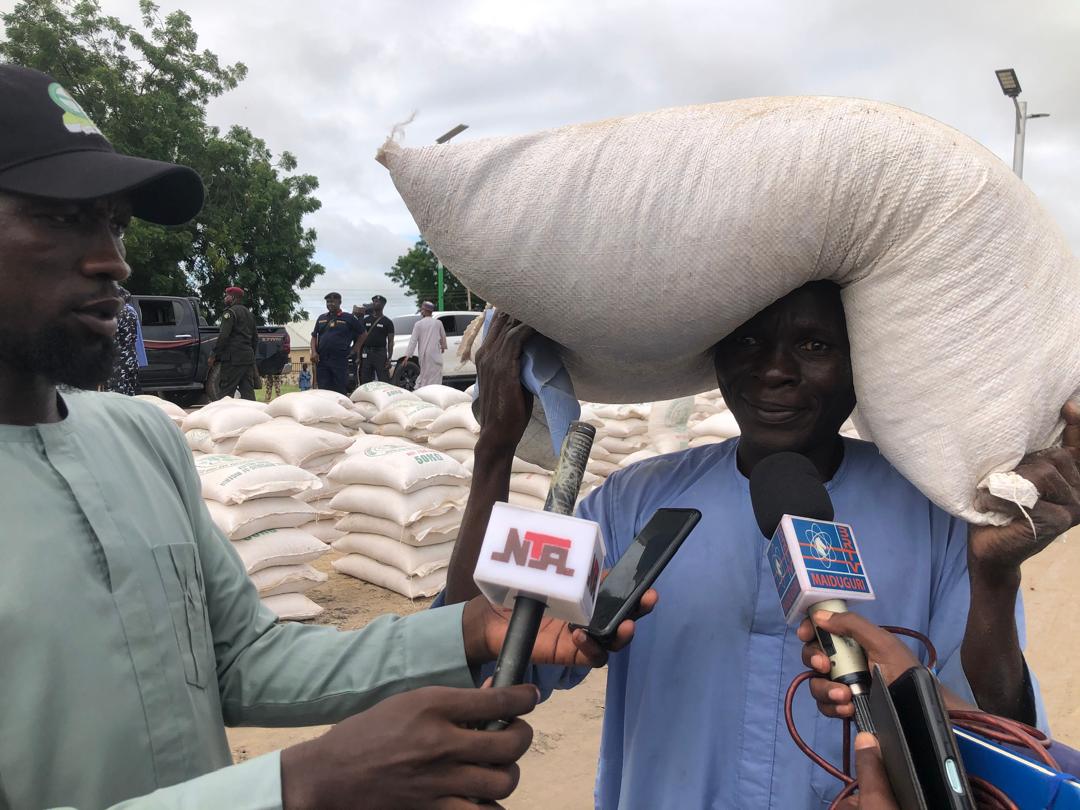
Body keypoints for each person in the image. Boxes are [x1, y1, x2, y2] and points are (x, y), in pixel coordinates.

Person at [0, 64, 656, 810]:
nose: (113, 259)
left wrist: (470, 630)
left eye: (114, 222)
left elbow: (245, 659)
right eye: (61, 217)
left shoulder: (138, 440)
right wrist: (301, 786)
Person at [445, 285, 1080, 809]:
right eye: (747, 341)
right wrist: (495, 450)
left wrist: (994, 579)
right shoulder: (634, 501)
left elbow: (999, 738)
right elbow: (480, 649)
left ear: (863, 365)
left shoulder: (937, 519)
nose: (775, 370)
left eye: (814, 345)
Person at [208, 286, 257, 400]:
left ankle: (222, 416)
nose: (225, 298)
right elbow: (255, 338)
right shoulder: (249, 314)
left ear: (234, 298)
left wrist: (213, 355)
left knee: (226, 392)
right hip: (247, 358)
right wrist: (251, 354)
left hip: (233, 359)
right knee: (248, 392)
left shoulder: (229, 313)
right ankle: (251, 416)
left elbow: (224, 336)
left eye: (227, 296)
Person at [311, 291, 363, 395]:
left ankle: (340, 410)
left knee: (339, 388)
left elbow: (363, 334)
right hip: (323, 360)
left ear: (340, 302)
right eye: (328, 302)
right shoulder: (321, 318)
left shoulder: (349, 318)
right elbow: (314, 336)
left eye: (333, 301)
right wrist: (314, 352)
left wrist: (355, 349)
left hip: (339, 359)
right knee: (323, 388)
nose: (330, 304)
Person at [104, 286, 142, 396]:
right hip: (131, 358)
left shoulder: (116, 312)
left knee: (116, 396)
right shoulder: (131, 311)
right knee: (129, 395)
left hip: (118, 361)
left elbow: (109, 336)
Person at [406, 301, 448, 387]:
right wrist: (443, 347)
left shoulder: (418, 324)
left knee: (425, 375)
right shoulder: (438, 323)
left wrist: (408, 355)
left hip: (424, 355)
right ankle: (434, 393)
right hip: (435, 353)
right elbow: (443, 337)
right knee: (436, 375)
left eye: (422, 309)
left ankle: (424, 392)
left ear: (424, 311)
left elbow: (413, 341)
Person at [361, 294, 395, 383]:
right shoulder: (366, 320)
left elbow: (391, 341)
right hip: (367, 353)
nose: (375, 303)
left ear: (383, 305)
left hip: (380, 354)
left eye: (377, 302)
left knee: (384, 379)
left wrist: (389, 358)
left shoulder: (387, 322)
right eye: (374, 301)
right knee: (365, 380)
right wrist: (358, 355)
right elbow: (360, 339)